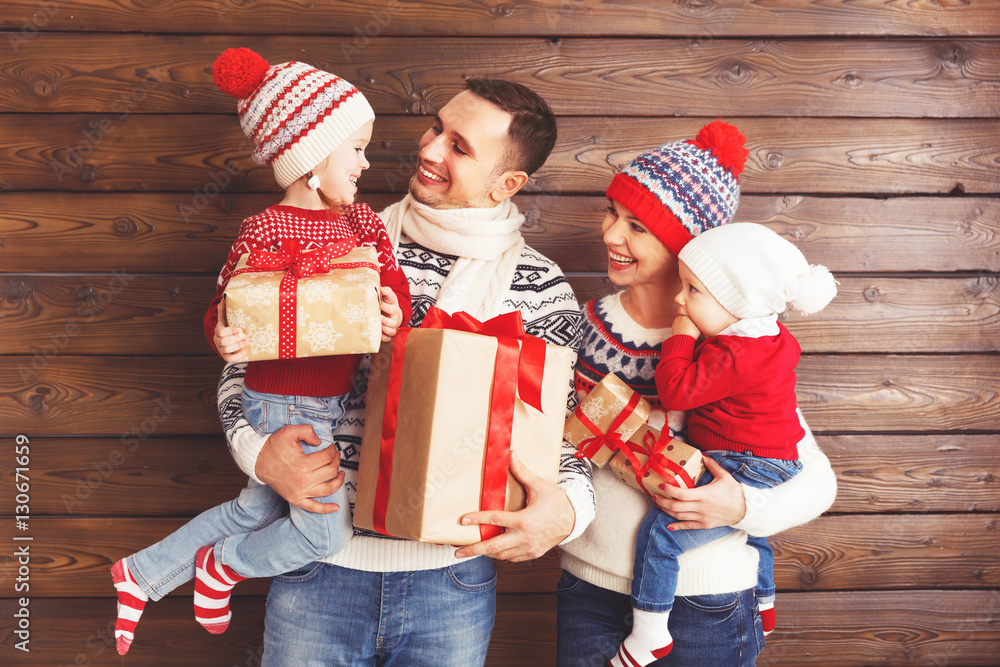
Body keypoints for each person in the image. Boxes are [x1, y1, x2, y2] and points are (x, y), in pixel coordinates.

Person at [212, 78, 593, 665]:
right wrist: (256, 454)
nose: (431, 148)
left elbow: (570, 429)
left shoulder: (539, 289)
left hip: (452, 583)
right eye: (437, 126)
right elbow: (245, 365)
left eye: (460, 147)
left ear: (508, 182)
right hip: (316, 563)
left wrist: (567, 511)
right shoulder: (336, 238)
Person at [110, 48, 411, 656]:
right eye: (354, 148)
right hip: (279, 399)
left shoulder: (364, 226)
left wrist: (393, 310)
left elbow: (393, 286)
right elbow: (229, 304)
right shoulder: (263, 230)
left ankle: (140, 576)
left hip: (328, 399)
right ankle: (223, 566)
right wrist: (222, 336)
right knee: (324, 534)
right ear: (310, 160)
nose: (365, 160)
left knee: (254, 508)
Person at [558, 121, 838, 666]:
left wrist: (744, 506)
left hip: (705, 597)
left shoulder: (736, 347)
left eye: (637, 226)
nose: (612, 235)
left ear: (689, 245)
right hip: (587, 590)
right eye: (611, 212)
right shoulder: (583, 325)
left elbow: (813, 478)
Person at [614, 222, 838, 666]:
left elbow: (678, 390)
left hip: (743, 461)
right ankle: (766, 599)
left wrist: (680, 337)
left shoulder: (732, 353)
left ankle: (650, 633)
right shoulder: (771, 339)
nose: (680, 299)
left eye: (693, 291)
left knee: (663, 535)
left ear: (738, 302)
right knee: (755, 534)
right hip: (773, 458)